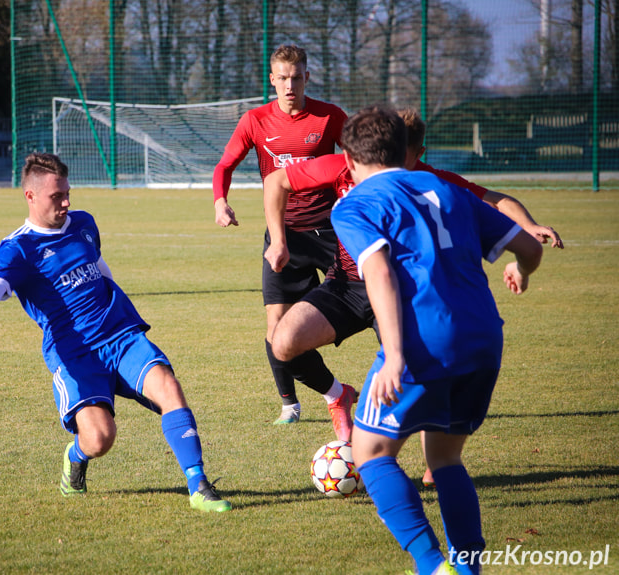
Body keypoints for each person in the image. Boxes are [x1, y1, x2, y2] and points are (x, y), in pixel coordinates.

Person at [262, 107, 564, 446]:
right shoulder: (345, 168)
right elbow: (277, 180)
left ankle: (437, 460)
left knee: (420, 377)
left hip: (407, 291)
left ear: (415, 154)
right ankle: (338, 395)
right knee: (282, 342)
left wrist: (529, 226)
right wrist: (278, 239)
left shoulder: (431, 181)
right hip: (348, 284)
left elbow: (494, 200)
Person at [331, 105, 542, 575]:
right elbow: (529, 246)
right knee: (445, 456)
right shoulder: (450, 191)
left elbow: (380, 272)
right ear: (405, 150)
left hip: (426, 344)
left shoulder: (354, 205)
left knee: (370, 453)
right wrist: (519, 270)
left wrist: (395, 357)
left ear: (349, 159)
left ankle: (431, 565)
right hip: (484, 341)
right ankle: (468, 568)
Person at [0, 152, 231, 513]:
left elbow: (99, 267)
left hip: (120, 335)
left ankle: (199, 487)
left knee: (168, 386)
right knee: (101, 438)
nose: (66, 201)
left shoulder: (84, 223)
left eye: (67, 192)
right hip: (75, 354)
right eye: (57, 196)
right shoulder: (19, 248)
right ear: (31, 196)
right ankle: (75, 457)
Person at [212, 44, 356, 432]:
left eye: (297, 77)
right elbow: (225, 164)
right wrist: (220, 202)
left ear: (307, 77)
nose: (290, 85)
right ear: (272, 80)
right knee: (275, 328)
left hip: (332, 232)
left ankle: (402, 386)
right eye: (283, 78)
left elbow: (360, 159)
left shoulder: (330, 117)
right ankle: (295, 403)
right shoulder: (255, 121)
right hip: (283, 236)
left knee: (371, 303)